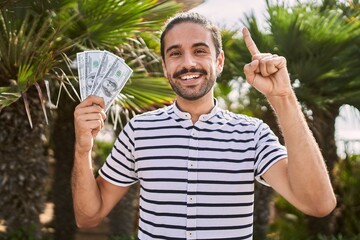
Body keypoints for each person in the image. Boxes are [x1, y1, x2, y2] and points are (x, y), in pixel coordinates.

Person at [72, 12, 336, 239]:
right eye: (175, 54)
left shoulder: (253, 134)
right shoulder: (138, 131)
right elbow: (89, 217)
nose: (188, 63)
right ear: (165, 67)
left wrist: (283, 97)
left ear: (218, 62)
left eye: (200, 50)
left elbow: (318, 204)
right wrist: (83, 149)